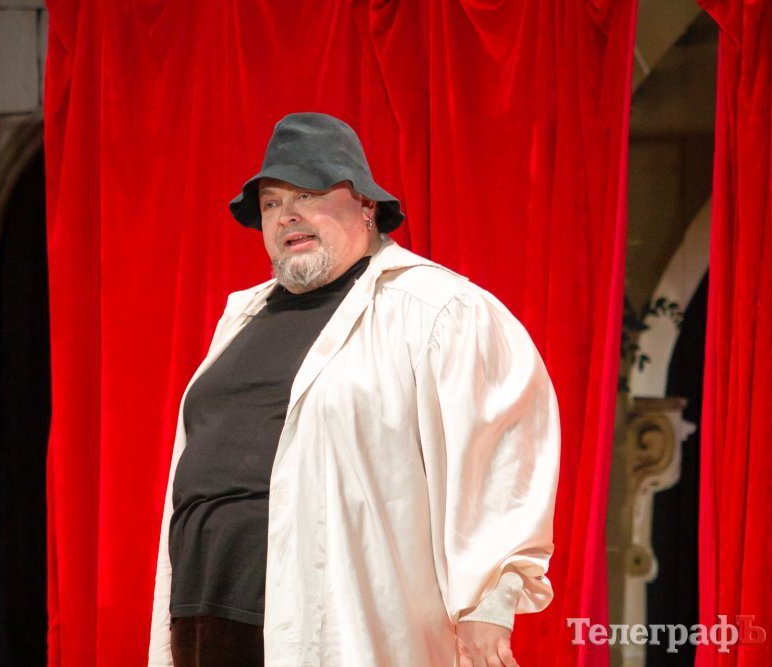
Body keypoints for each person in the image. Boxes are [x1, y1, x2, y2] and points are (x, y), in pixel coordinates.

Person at [148, 112, 560, 667]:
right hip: (204, 615)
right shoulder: (240, 318)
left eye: (308, 193)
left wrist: (491, 599)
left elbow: (502, 447)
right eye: (271, 202)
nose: (286, 214)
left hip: (331, 625)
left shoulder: (435, 309)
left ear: (366, 205)